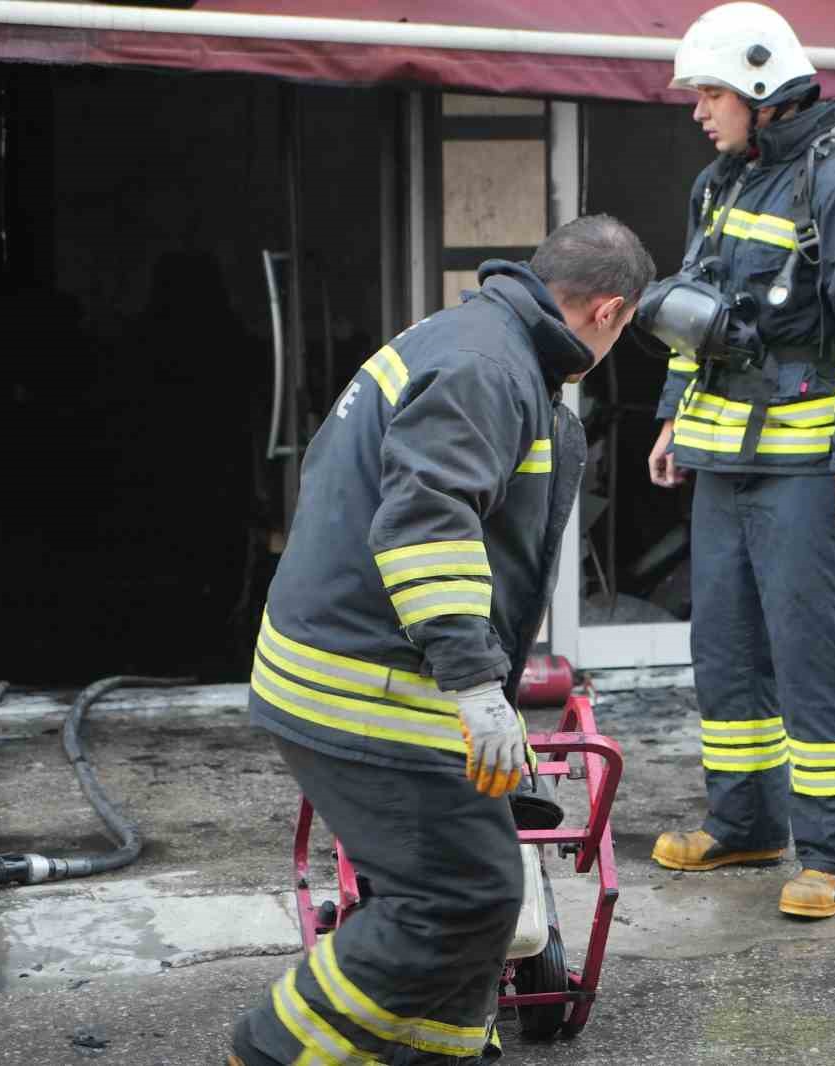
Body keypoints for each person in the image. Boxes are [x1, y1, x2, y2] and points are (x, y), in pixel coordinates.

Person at [229, 215, 654, 1066]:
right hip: (365, 681)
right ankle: (273, 1047)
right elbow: (428, 524)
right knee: (464, 895)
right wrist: (472, 687)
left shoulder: (473, 338)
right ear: (610, 312)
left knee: (485, 892)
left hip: (351, 660)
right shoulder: (488, 369)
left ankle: (439, 1049)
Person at [645, 2, 835, 919]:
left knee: (815, 660)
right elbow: (692, 309)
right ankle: (747, 826)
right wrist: (674, 418)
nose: (698, 110)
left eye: (710, 92)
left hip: (811, 474)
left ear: (762, 93)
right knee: (726, 653)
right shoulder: (719, 184)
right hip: (724, 464)